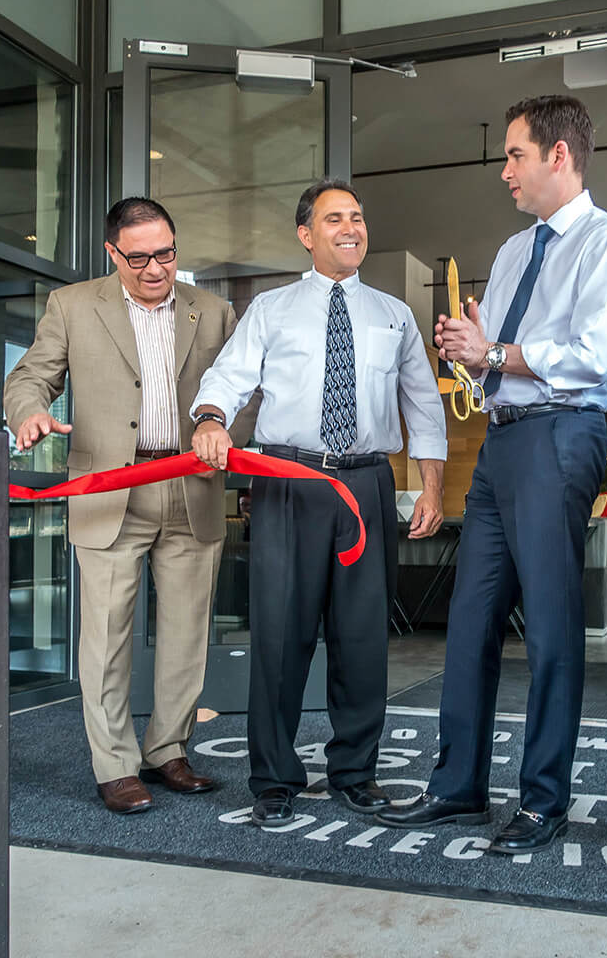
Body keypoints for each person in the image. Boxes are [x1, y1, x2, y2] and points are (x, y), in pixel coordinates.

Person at [377, 95, 607, 854]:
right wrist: (467, 348)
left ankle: (544, 800)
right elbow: (489, 364)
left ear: (560, 156)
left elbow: (591, 356)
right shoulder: (514, 251)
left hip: (562, 436)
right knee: (470, 618)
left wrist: (492, 353)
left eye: (516, 155)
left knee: (552, 624)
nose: (505, 172)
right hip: (502, 439)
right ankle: (457, 787)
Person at [191, 178, 448, 827]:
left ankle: (355, 774)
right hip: (287, 481)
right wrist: (213, 418)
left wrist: (433, 486)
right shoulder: (272, 310)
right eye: (336, 219)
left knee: (362, 638)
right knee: (280, 634)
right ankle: (274, 779)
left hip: (365, 483)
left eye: (358, 217)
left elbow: (422, 402)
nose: (351, 228)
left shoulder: (394, 314)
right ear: (307, 234)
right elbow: (228, 373)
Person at [4, 197, 256, 815]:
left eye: (165, 254)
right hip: (110, 489)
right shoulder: (72, 305)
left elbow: (244, 394)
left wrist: (231, 437)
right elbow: (31, 377)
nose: (154, 269)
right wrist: (30, 413)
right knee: (108, 638)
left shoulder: (213, 311)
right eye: (138, 257)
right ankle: (115, 765)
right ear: (113, 253)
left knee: (185, 634)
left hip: (192, 486)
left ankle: (167, 750)